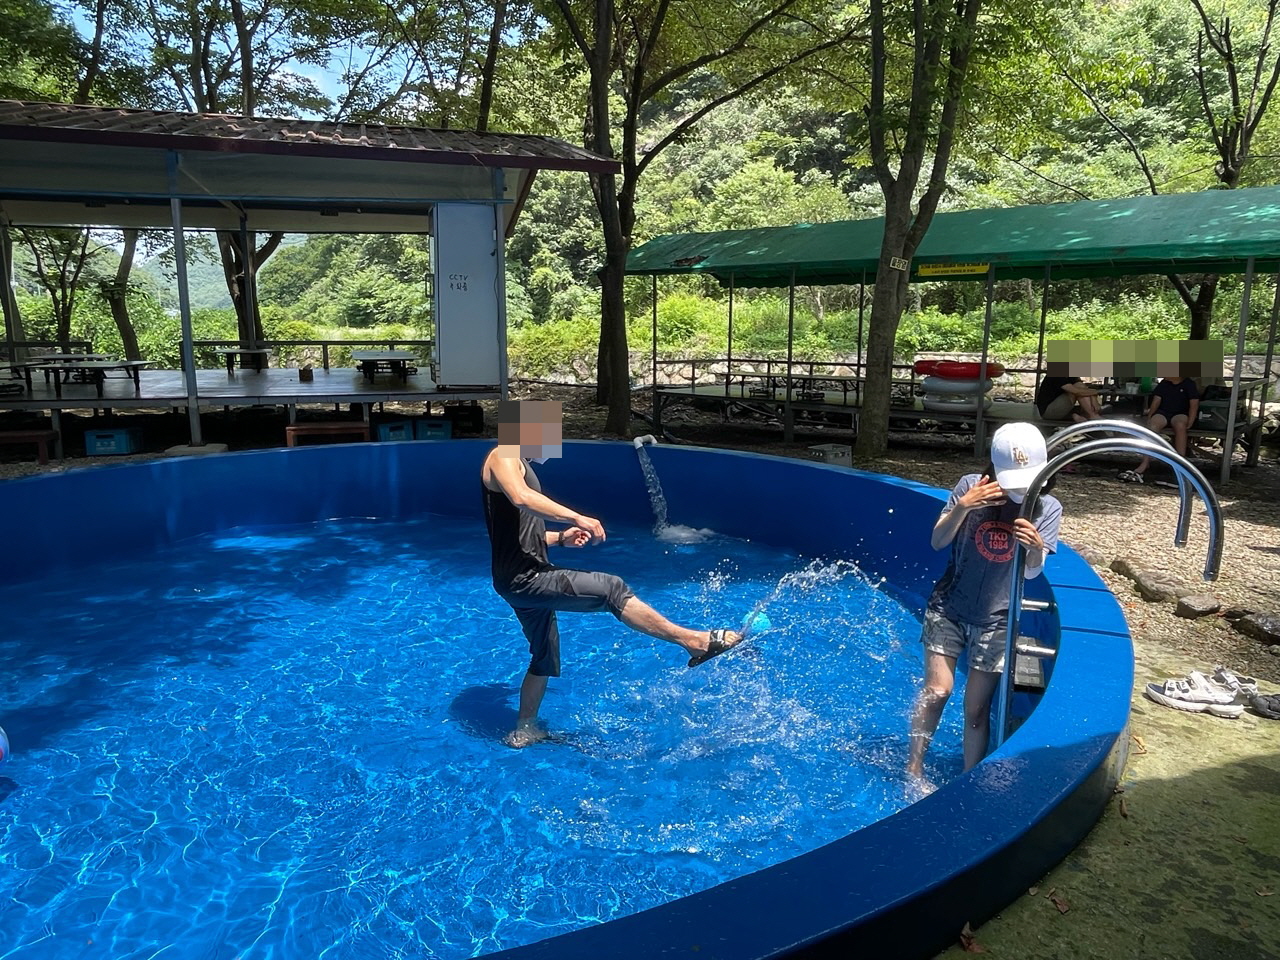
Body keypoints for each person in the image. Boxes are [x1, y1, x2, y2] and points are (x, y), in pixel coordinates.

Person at [482, 399, 744, 747]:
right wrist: (577, 517)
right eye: (547, 432)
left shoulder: (519, 463)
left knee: (544, 655)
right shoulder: (503, 454)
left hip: (518, 577)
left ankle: (524, 729)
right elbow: (521, 498)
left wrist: (560, 537)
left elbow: (520, 531)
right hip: (525, 577)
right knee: (611, 589)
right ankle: (693, 641)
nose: (550, 441)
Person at [906, 422, 1062, 796]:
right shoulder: (969, 486)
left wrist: (1035, 547)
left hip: (998, 619)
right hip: (949, 605)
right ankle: (913, 769)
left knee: (977, 709)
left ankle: (968, 781)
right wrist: (963, 507)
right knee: (937, 690)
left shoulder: (1046, 506)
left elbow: (1032, 571)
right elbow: (938, 541)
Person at [1117, 373, 1200, 483]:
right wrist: (1150, 416)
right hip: (1163, 412)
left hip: (1180, 413)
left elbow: (1194, 404)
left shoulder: (1189, 384)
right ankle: (1145, 463)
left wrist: (1191, 420)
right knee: (1153, 425)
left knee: (1180, 425)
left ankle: (1181, 463)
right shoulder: (1164, 384)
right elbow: (1156, 401)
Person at [1034, 374, 1102, 423]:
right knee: (1076, 390)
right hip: (1048, 411)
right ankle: (1092, 415)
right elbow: (1077, 392)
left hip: (1060, 408)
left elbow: (1083, 387)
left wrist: (1094, 398)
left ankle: (1083, 415)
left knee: (1080, 385)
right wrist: (1095, 393)